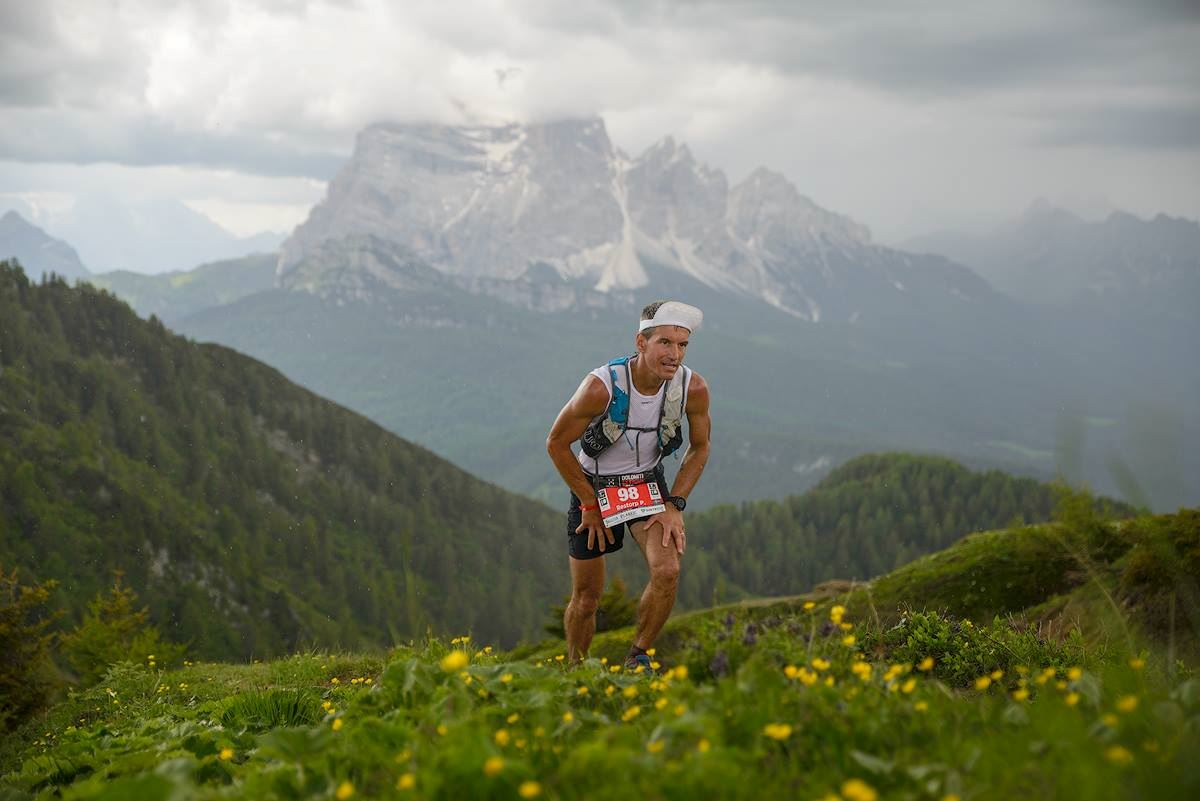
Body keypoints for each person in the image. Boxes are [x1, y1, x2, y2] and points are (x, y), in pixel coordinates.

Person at [546, 300, 711, 669]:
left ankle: (638, 656)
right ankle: (576, 670)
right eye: (665, 343)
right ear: (641, 342)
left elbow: (700, 448)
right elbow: (556, 443)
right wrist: (589, 505)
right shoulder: (601, 387)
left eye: (682, 345)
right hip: (595, 485)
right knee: (587, 598)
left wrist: (674, 504)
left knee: (667, 570)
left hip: (647, 483)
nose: (675, 354)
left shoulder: (693, 387)